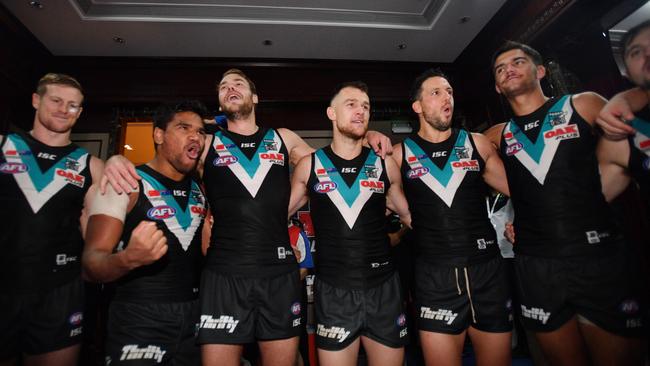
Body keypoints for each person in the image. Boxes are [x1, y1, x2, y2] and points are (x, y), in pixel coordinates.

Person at [100, 69, 393, 366]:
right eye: (223, 86)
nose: (230, 88)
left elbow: (333, 164)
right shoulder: (207, 144)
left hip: (279, 274)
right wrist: (117, 160)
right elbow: (167, 158)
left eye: (238, 83)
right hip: (223, 275)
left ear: (254, 97)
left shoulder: (283, 138)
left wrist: (365, 133)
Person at [485, 41, 646, 366]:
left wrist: (630, 96)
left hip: (596, 259)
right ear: (498, 88)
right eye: (500, 69)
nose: (508, 70)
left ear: (541, 70)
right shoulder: (498, 135)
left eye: (517, 61)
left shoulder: (580, 105)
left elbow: (627, 131)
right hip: (537, 267)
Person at [391, 69, 512, 366]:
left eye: (449, 92)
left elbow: (522, 190)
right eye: (436, 92)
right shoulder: (398, 154)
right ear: (417, 106)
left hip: (487, 271)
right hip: (435, 279)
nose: (447, 98)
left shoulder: (476, 144)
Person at [288, 81, 411, 366]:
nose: (360, 111)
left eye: (366, 106)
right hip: (334, 291)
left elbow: (409, 215)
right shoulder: (310, 165)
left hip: (384, 287)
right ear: (331, 113)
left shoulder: (384, 164)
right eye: (351, 104)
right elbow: (275, 216)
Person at [82, 101, 208, 365]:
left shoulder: (201, 190)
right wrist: (128, 258)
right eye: (184, 128)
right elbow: (91, 266)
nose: (195, 136)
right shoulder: (125, 183)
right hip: (138, 318)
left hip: (195, 318)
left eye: (200, 131)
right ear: (158, 135)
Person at [0, 73, 103, 366]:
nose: (63, 109)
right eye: (56, 100)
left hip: (60, 291)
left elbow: (96, 237)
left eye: (73, 105)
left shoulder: (92, 166)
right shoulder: (4, 146)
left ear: (80, 112)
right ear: (36, 100)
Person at [596, 20, 650, 201]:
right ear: (626, 72)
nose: (648, 54)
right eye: (636, 52)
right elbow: (587, 205)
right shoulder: (622, 136)